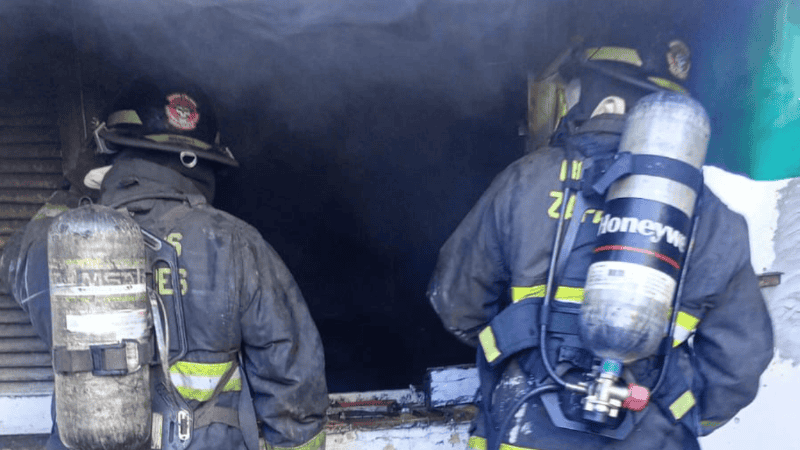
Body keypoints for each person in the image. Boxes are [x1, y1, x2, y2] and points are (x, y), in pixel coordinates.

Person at [427, 36, 774, 450]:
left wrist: (523, 354)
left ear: (605, 102)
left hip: (526, 427)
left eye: (574, 93)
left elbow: (455, 300)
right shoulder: (714, 217)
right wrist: (672, 410)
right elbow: (739, 363)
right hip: (653, 433)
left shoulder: (527, 180)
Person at [0, 78, 328, 450]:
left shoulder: (56, 243)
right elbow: (294, 381)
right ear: (205, 166)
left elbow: (15, 256)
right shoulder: (237, 243)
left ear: (113, 154)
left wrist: (75, 185)